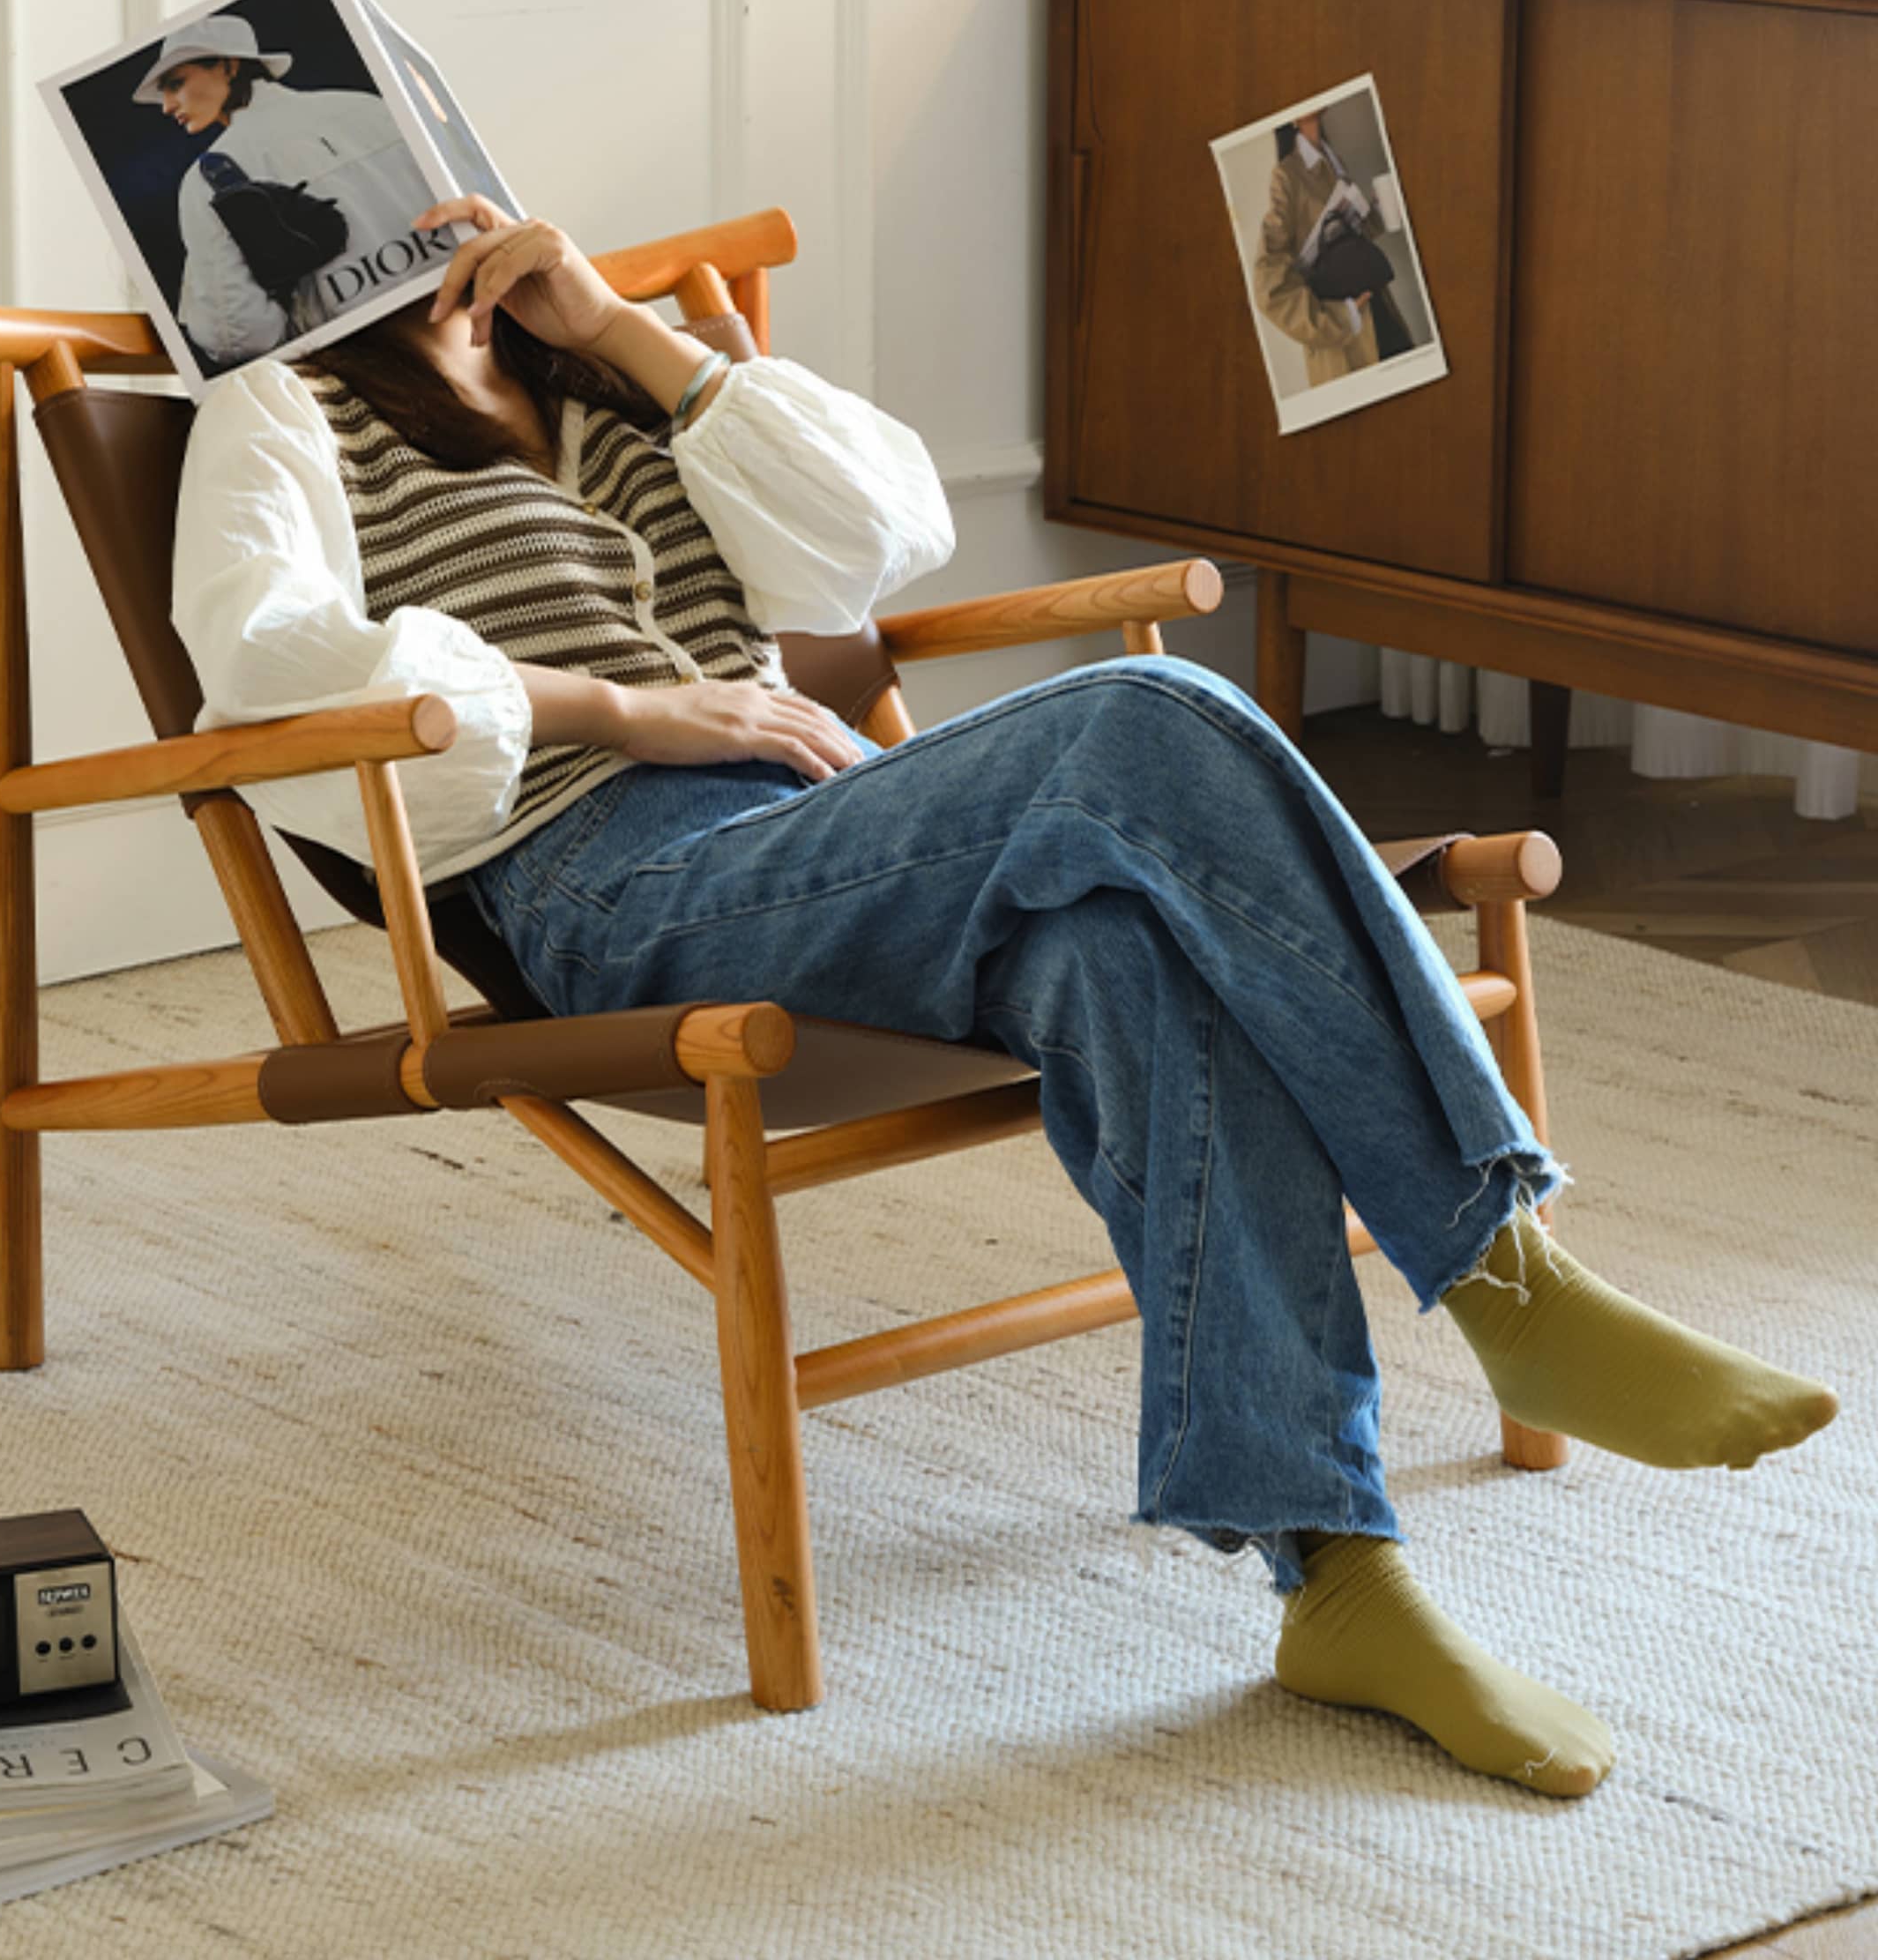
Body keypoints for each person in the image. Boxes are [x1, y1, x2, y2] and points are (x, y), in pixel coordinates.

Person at [171, 194, 1839, 1800]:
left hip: (828, 835)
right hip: (611, 883)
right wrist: (627, 705)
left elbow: (888, 536)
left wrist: (619, 330)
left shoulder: (596, 371)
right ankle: (1503, 1275)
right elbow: (268, 673)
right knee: (1140, 720)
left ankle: (1336, 1582)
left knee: (1123, 953)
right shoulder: (279, 410)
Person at [136, 11, 444, 373]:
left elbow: (238, 337)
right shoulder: (371, 107)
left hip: (365, 373)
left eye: (175, 84)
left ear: (229, 66)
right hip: (464, 336)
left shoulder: (210, 176)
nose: (167, 106)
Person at [1253, 110, 1412, 381]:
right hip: (1343, 340)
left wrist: (1377, 212)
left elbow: (1349, 242)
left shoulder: (1334, 160)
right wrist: (1342, 316)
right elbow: (1268, 285)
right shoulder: (1286, 175)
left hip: (1378, 305)